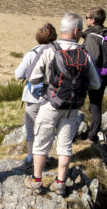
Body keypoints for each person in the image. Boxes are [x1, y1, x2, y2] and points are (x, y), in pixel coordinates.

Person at [24, 13, 100, 196]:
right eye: (80, 30)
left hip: (50, 104)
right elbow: (96, 83)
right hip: (72, 108)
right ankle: (60, 183)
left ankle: (36, 181)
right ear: (76, 30)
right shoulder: (85, 54)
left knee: (41, 144)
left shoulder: (50, 50)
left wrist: (49, 80)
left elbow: (31, 77)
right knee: (65, 146)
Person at [13, 23, 57, 173]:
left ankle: (31, 156)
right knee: (48, 128)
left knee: (31, 129)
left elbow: (18, 74)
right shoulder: (57, 52)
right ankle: (46, 155)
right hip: (51, 97)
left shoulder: (32, 54)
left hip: (32, 97)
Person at [80, 7, 107, 142]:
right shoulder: (106, 33)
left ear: (93, 20)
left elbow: (92, 59)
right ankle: (93, 133)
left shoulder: (92, 37)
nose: (86, 20)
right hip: (104, 74)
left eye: (87, 17)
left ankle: (89, 135)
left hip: (94, 75)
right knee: (96, 104)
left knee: (88, 103)